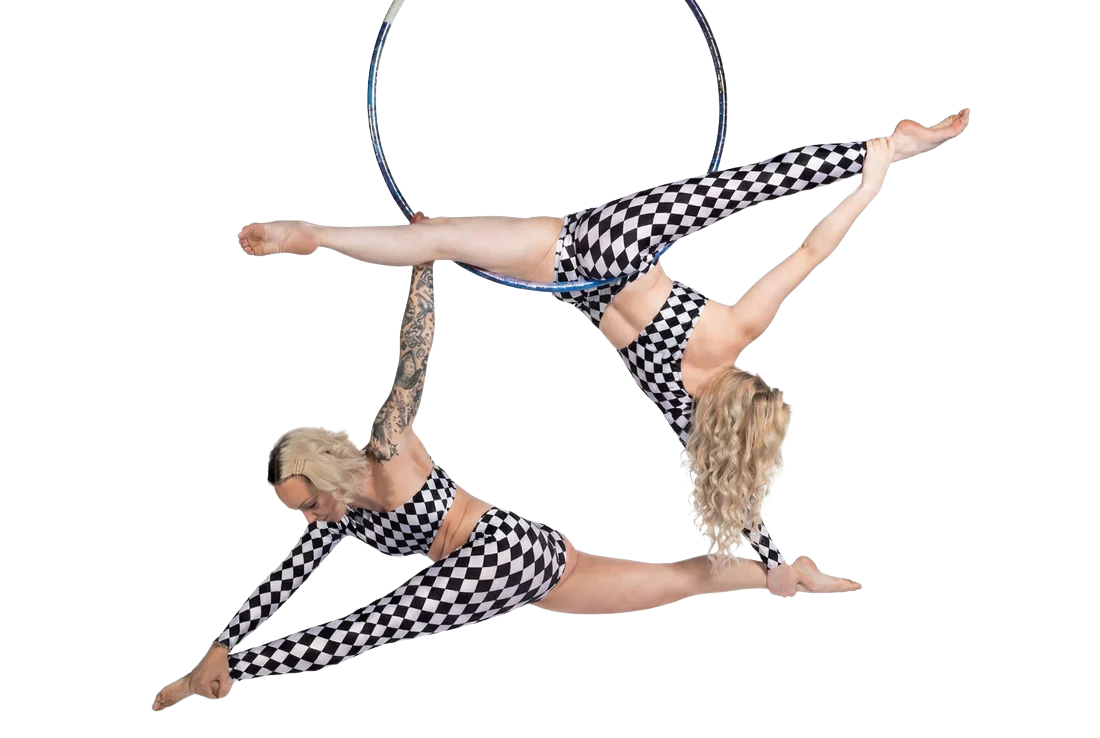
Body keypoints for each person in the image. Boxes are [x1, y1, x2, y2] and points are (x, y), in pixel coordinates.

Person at [153, 258, 860, 711]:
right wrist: (221, 639)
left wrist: (422, 259)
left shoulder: (387, 449)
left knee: (376, 625)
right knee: (676, 582)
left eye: (308, 502)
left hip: (499, 552)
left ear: (325, 468)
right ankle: (784, 574)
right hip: (534, 556)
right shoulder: (343, 516)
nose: (309, 518)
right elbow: (285, 579)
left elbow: (413, 355)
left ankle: (235, 673)